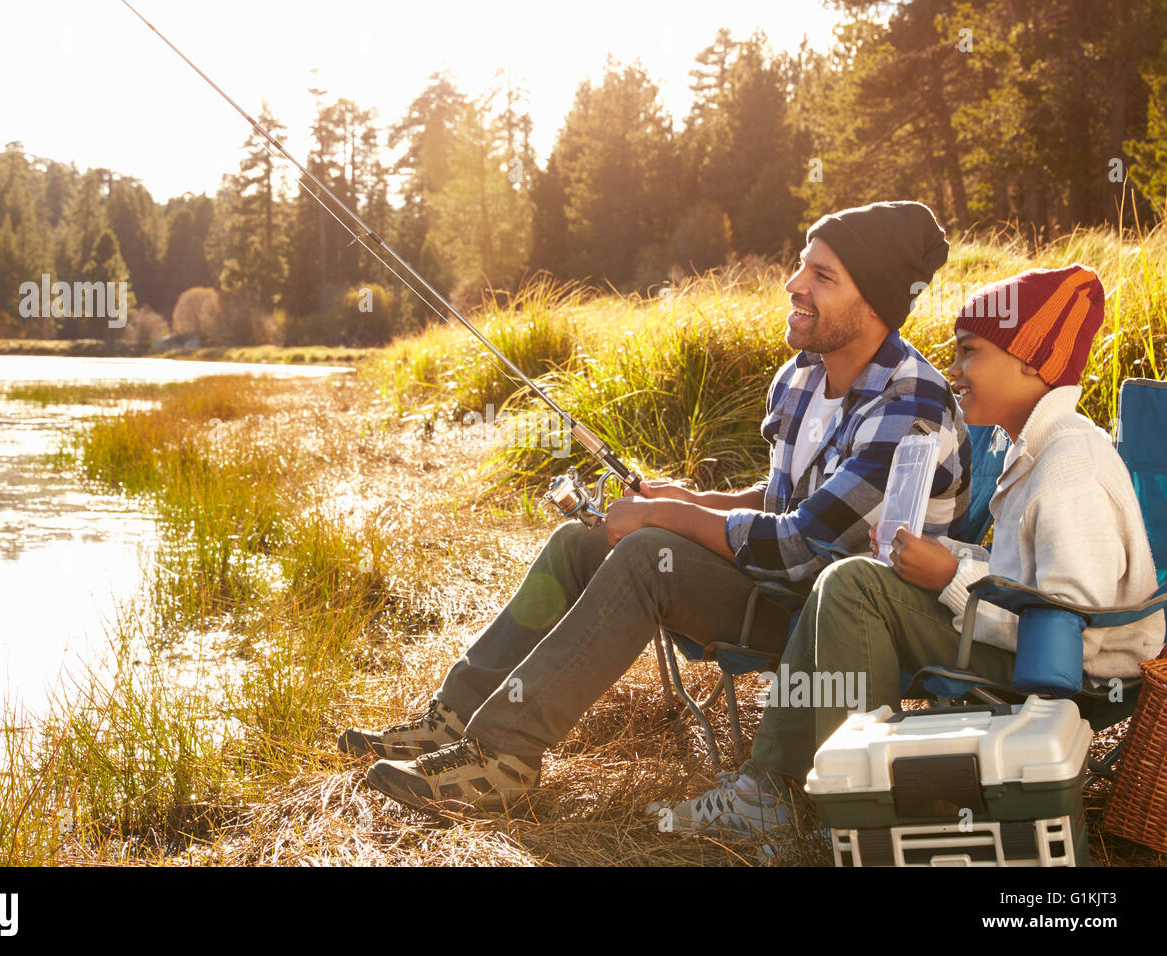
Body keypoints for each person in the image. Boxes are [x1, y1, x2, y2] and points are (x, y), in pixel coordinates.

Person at [339, 200, 970, 814]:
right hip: (775, 589)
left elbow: (801, 548)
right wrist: (686, 499)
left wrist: (667, 519)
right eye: (802, 264)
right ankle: (453, 718)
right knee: (580, 544)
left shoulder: (909, 405)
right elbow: (782, 501)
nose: (794, 284)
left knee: (649, 555)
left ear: (876, 303)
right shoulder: (802, 376)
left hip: (828, 626)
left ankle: (499, 759)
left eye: (822, 276)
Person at [664, 263, 1167, 837]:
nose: (952, 371)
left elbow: (1073, 625)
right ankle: (790, 790)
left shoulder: (1068, 467)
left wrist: (951, 575)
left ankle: (848, 810)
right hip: (1030, 642)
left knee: (855, 589)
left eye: (969, 352)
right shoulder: (1032, 446)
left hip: (1071, 673)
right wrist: (950, 562)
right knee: (852, 579)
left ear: (1032, 361)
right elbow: (1019, 578)